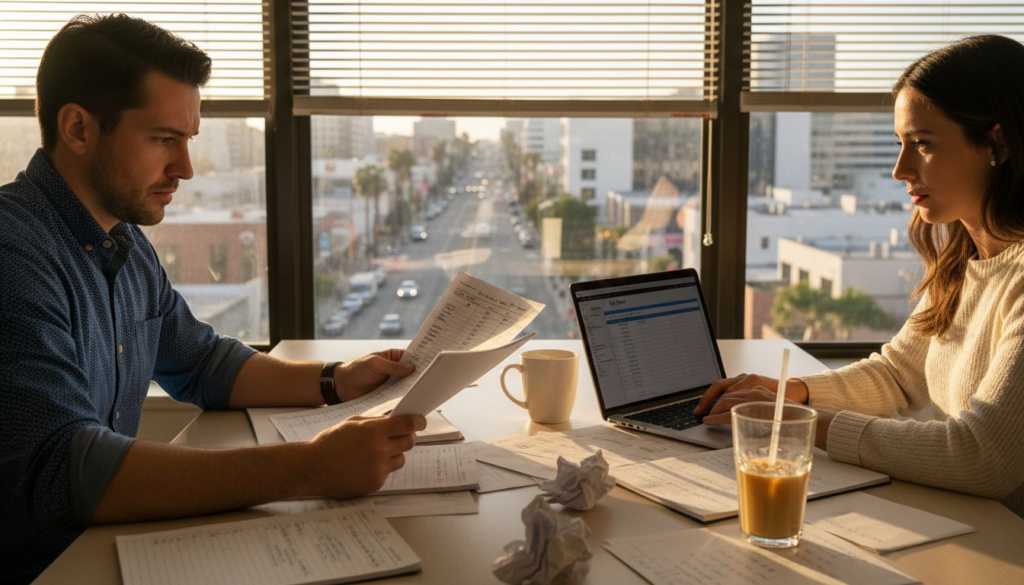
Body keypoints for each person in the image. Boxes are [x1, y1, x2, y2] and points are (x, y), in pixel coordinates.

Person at [0, 14, 425, 583]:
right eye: (162, 139)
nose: (187, 168)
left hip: (105, 548)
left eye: (189, 140)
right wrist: (311, 468)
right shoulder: (13, 254)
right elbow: (63, 470)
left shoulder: (123, 243)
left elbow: (201, 363)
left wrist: (336, 380)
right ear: (78, 129)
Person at [696, 34, 1024, 517]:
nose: (899, 169)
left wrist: (801, 421)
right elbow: (898, 377)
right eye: (899, 144)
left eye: (923, 144)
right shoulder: (963, 260)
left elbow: (981, 457)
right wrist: (787, 393)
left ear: (996, 142)